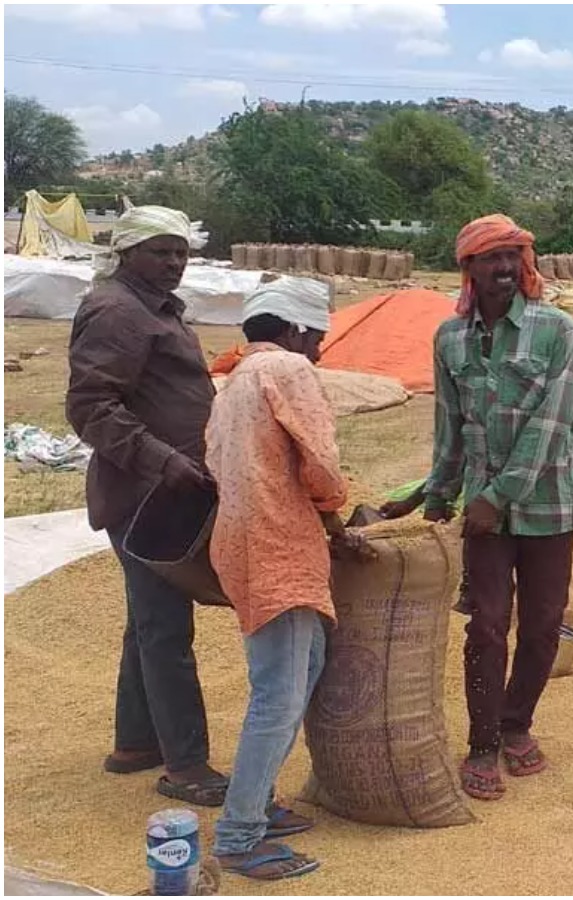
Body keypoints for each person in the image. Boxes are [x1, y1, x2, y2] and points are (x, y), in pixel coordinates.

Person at [425, 214, 573, 801]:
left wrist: (497, 497)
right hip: (482, 514)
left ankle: (516, 724)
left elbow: (553, 423)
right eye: (490, 258)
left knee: (544, 625)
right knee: (487, 623)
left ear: (525, 264)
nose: (503, 269)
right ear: (468, 267)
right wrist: (438, 493)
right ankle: (480, 741)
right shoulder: (449, 339)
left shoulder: (558, 330)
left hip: (550, 505)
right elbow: (449, 422)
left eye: (513, 258)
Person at [205, 276, 369, 879]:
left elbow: (218, 462)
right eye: (319, 336)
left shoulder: (233, 381)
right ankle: (240, 835)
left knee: (305, 665)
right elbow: (319, 462)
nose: (322, 350)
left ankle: (260, 800)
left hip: (244, 540)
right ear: (296, 330)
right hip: (279, 543)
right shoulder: (289, 372)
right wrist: (336, 517)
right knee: (276, 695)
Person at [65, 205, 228, 807]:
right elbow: (90, 407)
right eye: (161, 251)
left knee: (151, 619)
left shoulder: (149, 307)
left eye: (181, 252)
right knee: (165, 628)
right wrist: (163, 458)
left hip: (166, 488)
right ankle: (186, 767)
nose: (175, 262)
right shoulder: (117, 312)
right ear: (127, 252)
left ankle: (135, 743)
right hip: (145, 493)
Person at [381, 412, 573, 629]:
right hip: (516, 461)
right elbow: (459, 460)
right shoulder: (484, 414)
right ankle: (471, 596)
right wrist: (416, 501)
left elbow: (534, 461)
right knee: (481, 511)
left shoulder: (545, 405)